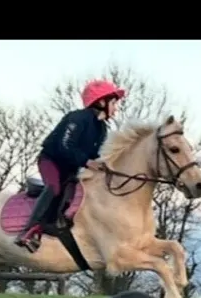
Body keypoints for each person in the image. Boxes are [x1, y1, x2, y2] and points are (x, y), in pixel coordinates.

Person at [15, 79, 126, 252]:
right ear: (101, 101)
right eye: (113, 103)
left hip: (72, 167)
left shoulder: (101, 128)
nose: (116, 108)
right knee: (54, 188)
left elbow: (95, 155)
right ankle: (29, 231)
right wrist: (88, 162)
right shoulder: (77, 117)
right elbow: (65, 146)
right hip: (51, 161)